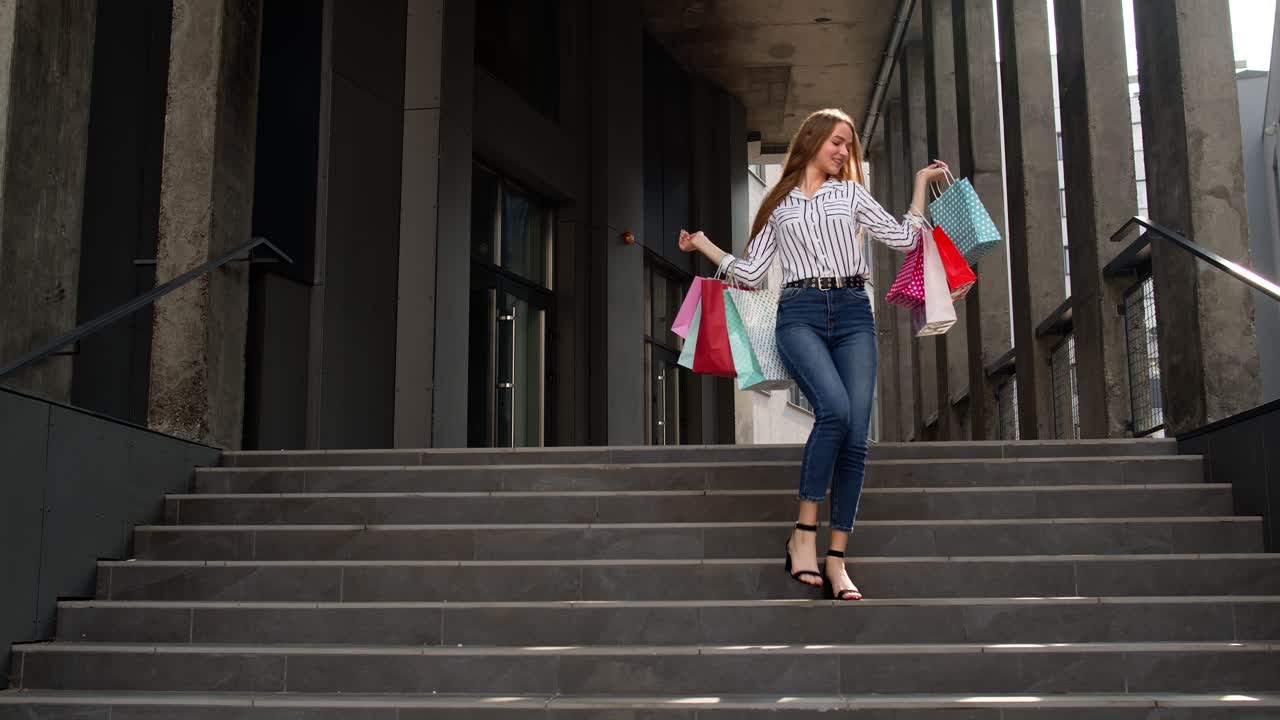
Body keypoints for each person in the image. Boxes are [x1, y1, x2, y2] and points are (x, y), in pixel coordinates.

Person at [678, 108, 948, 600]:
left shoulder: (851, 194)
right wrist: (705, 246)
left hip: (853, 312)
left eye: (849, 144)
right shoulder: (778, 204)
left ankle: (837, 559)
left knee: (856, 436)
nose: (844, 151)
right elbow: (753, 272)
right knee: (835, 411)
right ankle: (803, 534)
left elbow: (904, 238)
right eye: (836, 141)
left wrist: (918, 184)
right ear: (813, 139)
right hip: (799, 313)